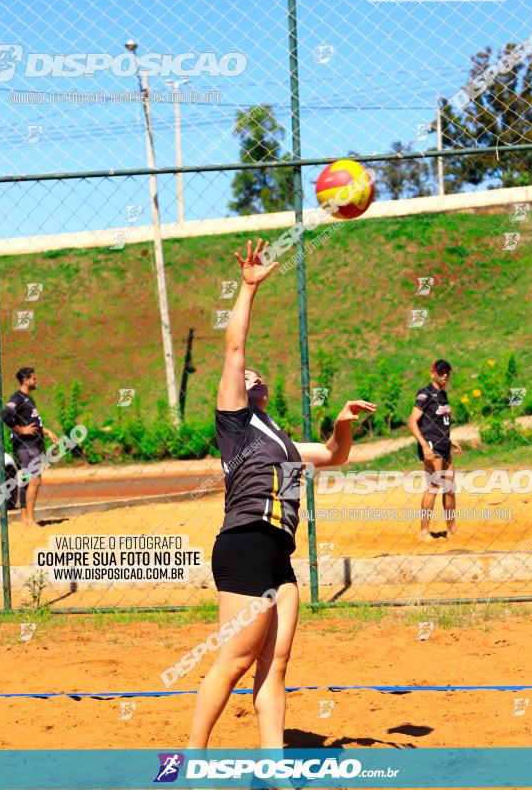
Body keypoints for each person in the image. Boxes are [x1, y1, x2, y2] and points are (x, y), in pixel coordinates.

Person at [187, 239, 375, 749]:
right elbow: (233, 347)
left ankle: (274, 768)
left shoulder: (282, 441)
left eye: (253, 375)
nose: (246, 372)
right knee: (235, 661)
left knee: (275, 667)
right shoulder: (237, 422)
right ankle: (189, 763)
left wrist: (341, 424)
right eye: (241, 376)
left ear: (265, 389)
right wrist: (248, 290)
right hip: (246, 542)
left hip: (278, 556)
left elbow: (335, 455)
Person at [407, 359, 462, 542]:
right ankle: (424, 532)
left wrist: (450, 440)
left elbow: (438, 422)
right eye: (441, 372)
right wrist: (424, 445)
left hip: (444, 446)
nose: (445, 374)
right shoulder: (425, 394)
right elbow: (412, 421)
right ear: (433, 373)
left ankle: (451, 529)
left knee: (449, 488)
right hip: (431, 446)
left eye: (447, 371)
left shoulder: (443, 395)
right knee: (433, 487)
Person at [1, 367, 58, 527]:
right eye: (33, 378)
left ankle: (25, 519)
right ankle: (30, 520)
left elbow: (31, 421)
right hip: (26, 445)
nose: (36, 381)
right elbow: (5, 415)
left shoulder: (28, 398)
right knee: (35, 479)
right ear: (25, 380)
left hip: (33, 444)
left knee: (26, 480)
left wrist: (45, 431)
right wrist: (21, 430)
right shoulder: (18, 397)